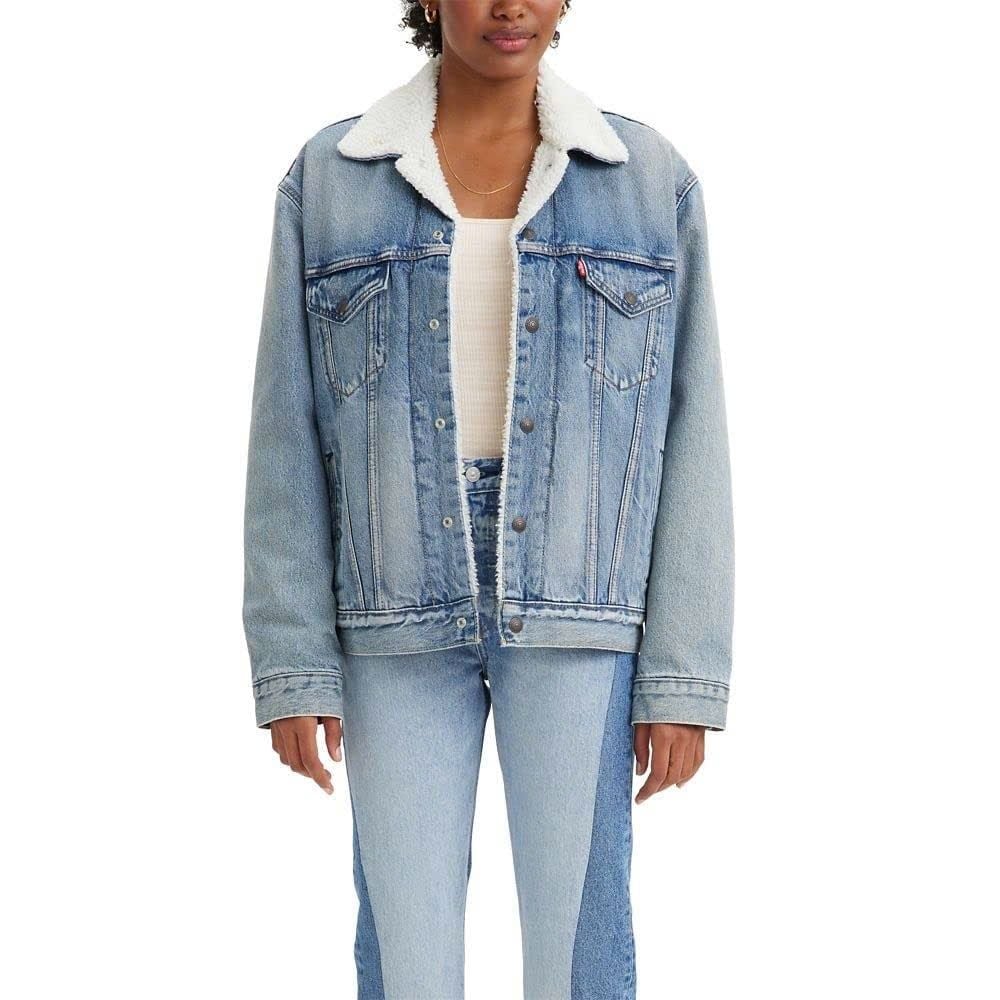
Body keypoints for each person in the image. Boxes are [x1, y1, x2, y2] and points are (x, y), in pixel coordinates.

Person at [242, 1, 734, 996]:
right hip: (390, 604)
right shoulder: (332, 178)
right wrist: (293, 664)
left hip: (579, 598)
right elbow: (284, 433)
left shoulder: (644, 178)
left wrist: (682, 676)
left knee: (578, 950)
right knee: (409, 956)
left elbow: (693, 432)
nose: (510, 5)